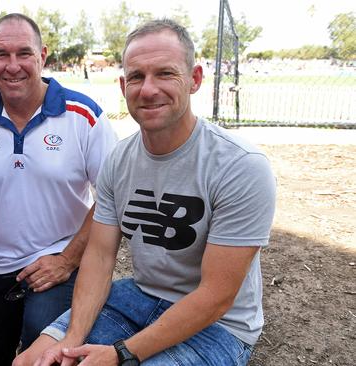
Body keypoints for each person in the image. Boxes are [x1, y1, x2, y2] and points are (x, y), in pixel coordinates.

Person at [15, 18, 276, 366]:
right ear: (124, 85)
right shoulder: (119, 160)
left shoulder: (240, 166)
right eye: (137, 77)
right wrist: (71, 341)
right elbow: (100, 257)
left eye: (165, 74)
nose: (148, 89)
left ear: (194, 79)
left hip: (220, 326)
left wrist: (121, 354)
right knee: (30, 361)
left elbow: (216, 296)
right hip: (138, 296)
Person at [0, 13, 118, 366]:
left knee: (44, 352)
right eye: (1, 55)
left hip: (58, 263)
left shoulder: (83, 116)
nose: (13, 66)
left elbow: (113, 198)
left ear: (43, 56)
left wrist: (67, 260)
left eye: (24, 53)